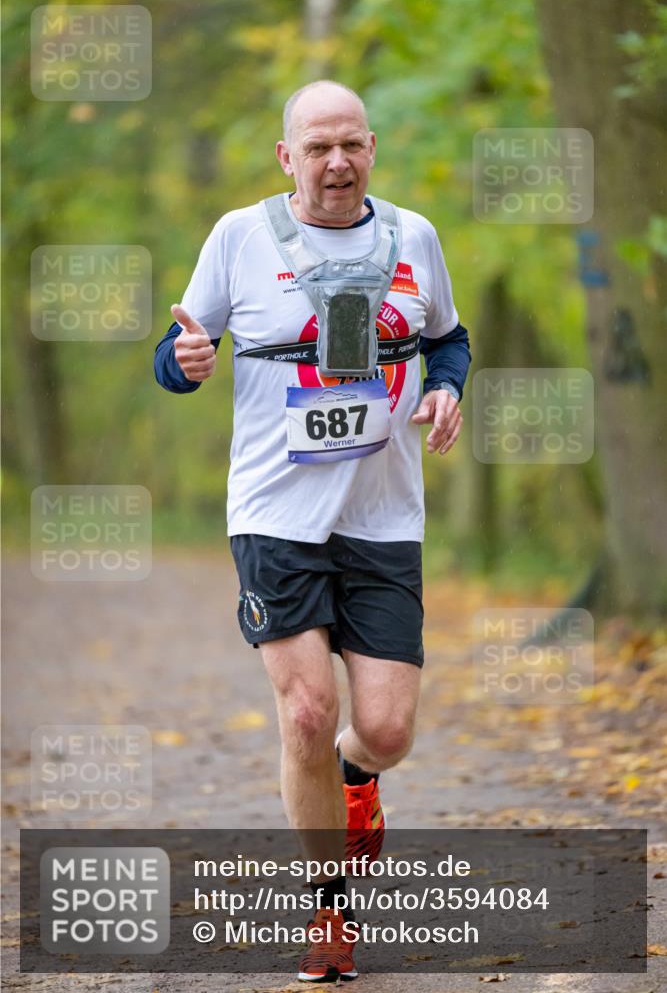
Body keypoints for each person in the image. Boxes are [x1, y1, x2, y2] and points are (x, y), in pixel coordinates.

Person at [154, 80, 471, 983]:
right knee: (305, 711)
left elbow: (447, 338)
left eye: (351, 146)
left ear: (371, 147)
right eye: (317, 147)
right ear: (287, 158)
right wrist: (181, 363)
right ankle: (328, 908)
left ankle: (356, 778)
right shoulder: (238, 237)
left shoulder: (414, 236)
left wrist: (447, 384)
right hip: (274, 515)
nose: (337, 163)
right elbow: (177, 349)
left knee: (383, 729)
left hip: (382, 519)